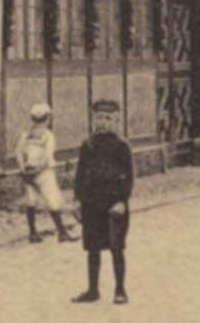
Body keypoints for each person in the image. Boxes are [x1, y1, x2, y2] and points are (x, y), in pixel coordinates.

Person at [71, 98, 133, 305]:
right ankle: (92, 289)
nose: (103, 122)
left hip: (114, 205)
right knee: (92, 248)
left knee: (116, 247)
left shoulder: (121, 146)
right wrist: (77, 199)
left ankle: (120, 289)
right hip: (91, 203)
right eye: (100, 117)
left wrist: (122, 201)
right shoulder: (88, 145)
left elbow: (129, 176)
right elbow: (80, 174)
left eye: (108, 118)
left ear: (116, 120)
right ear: (93, 119)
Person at [15, 103, 77, 244]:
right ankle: (62, 232)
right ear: (48, 118)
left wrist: (23, 168)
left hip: (28, 171)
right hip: (43, 172)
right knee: (52, 200)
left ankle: (33, 233)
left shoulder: (26, 135)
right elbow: (48, 156)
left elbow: (18, 152)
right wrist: (40, 169)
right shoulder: (48, 136)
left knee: (31, 200)